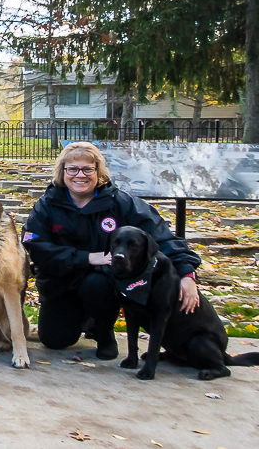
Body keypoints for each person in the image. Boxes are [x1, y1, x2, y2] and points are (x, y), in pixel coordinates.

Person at [23, 142, 201, 359]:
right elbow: (36, 246)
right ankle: (83, 317)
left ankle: (104, 331)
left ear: (99, 171)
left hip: (104, 283)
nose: (80, 175)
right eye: (72, 169)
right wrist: (87, 258)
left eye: (88, 169)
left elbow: (160, 237)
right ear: (63, 172)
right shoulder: (47, 205)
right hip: (61, 283)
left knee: (96, 284)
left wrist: (187, 274)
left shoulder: (121, 203)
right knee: (55, 340)